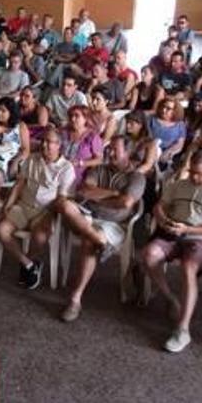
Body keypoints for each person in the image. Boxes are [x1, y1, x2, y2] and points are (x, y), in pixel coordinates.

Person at [142, 151, 202, 353]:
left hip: (199, 238)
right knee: (149, 254)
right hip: (174, 232)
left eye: (199, 174)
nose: (194, 177)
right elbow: (159, 207)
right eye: (192, 172)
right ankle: (171, 298)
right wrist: (164, 221)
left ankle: (183, 329)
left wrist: (188, 229)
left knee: (188, 267)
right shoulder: (178, 186)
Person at [56, 135, 146, 321]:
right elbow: (85, 190)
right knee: (64, 205)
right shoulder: (98, 169)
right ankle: (101, 242)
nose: (109, 152)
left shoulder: (136, 177)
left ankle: (75, 298)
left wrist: (100, 196)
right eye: (108, 148)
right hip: (88, 216)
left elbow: (125, 203)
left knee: (88, 242)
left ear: (127, 153)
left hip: (114, 224)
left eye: (115, 149)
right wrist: (113, 193)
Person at [0, 129, 75, 289]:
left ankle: (30, 262)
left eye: (49, 142)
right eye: (43, 141)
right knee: (1, 229)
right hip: (24, 206)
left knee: (39, 236)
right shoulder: (32, 159)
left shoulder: (66, 168)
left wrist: (50, 215)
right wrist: (7, 205)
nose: (44, 145)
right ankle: (29, 264)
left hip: (46, 209)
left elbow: (61, 199)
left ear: (59, 145)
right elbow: (19, 185)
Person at [60, 105, 104, 185]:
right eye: (71, 116)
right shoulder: (63, 132)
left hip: (78, 176)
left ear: (85, 119)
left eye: (77, 116)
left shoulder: (92, 136)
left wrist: (81, 163)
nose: (73, 119)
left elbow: (99, 160)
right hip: (59, 171)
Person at [148, 98, 187, 167]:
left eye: (168, 108)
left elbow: (180, 144)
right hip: (150, 149)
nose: (164, 110)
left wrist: (169, 151)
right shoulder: (151, 119)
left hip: (168, 153)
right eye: (163, 106)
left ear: (175, 111)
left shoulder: (180, 125)